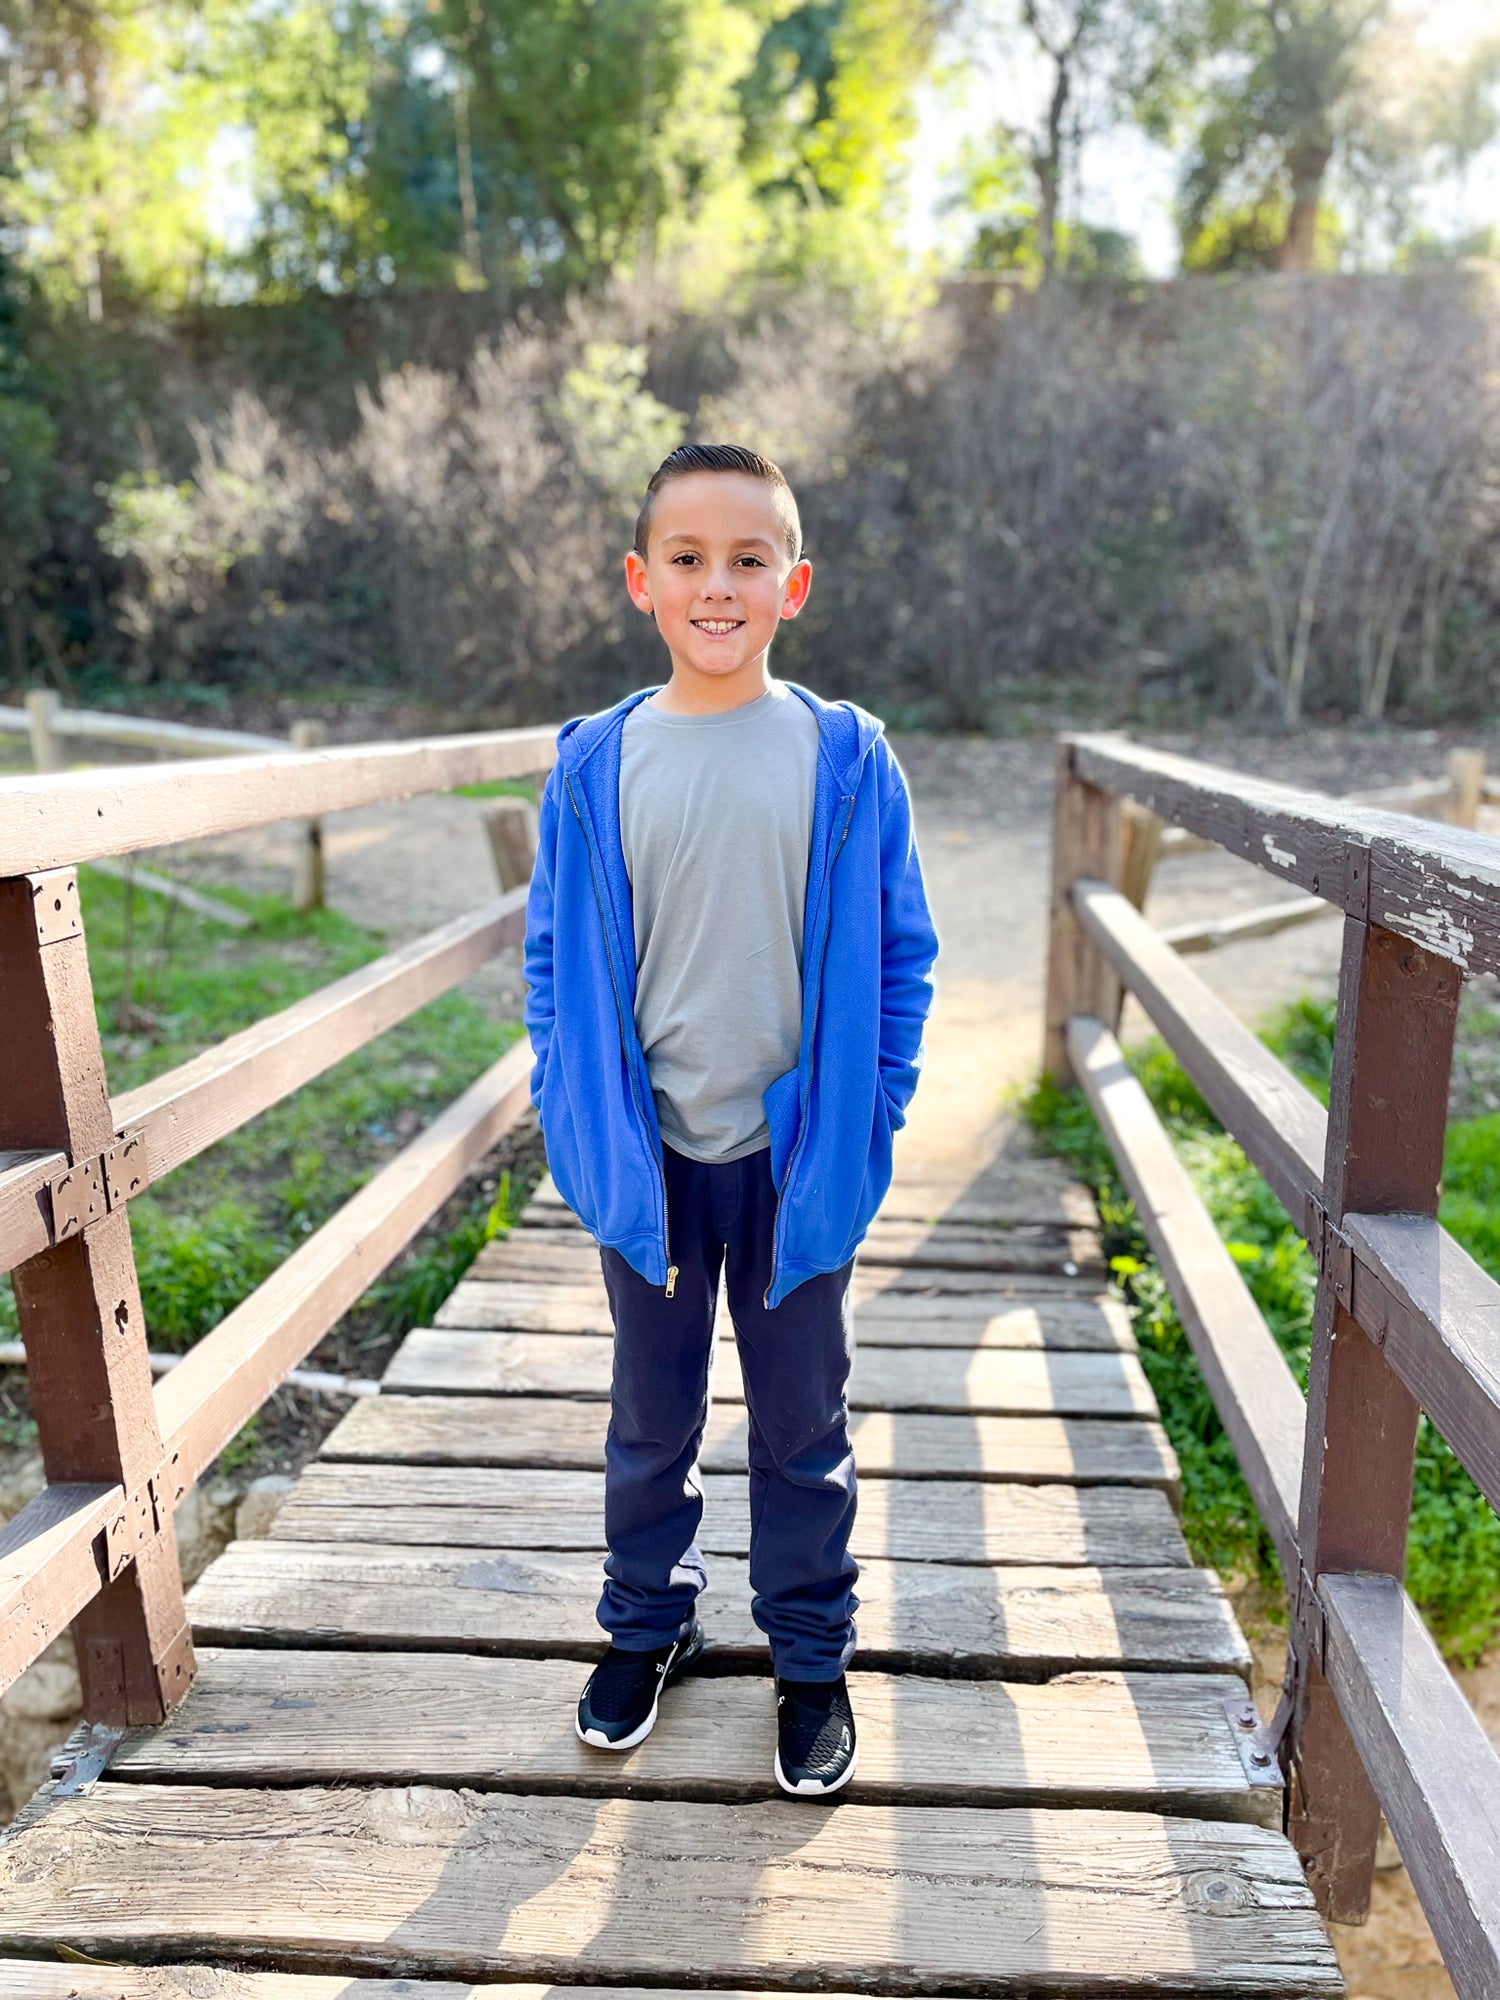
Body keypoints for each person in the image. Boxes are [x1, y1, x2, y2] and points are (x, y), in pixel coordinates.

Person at [522, 442, 938, 1798]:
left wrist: (867, 1121)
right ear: (642, 583)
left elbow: (901, 955)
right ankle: (648, 1627)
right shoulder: (594, 764)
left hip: (794, 1158)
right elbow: (548, 968)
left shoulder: (845, 756)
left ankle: (810, 1662)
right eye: (688, 559)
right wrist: (575, 1125)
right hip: (649, 1160)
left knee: (800, 1424)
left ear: (794, 584)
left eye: (748, 559)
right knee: (649, 1419)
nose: (718, 584)